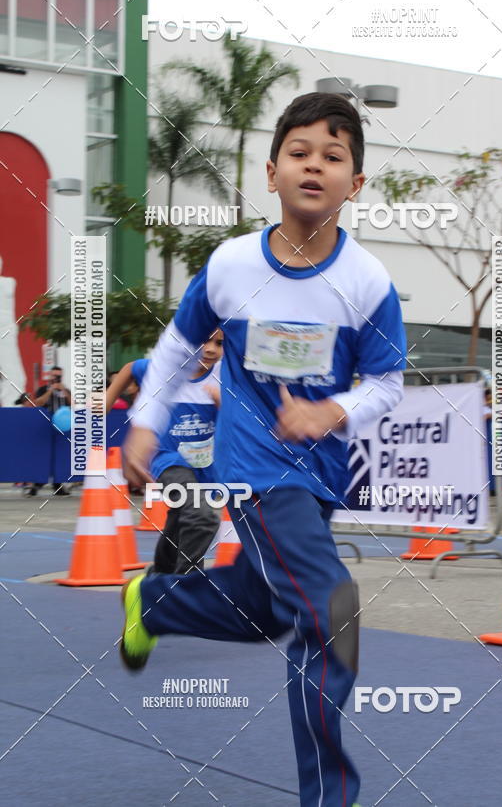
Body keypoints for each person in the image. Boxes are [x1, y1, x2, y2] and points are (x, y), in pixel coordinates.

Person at [120, 92, 406, 807]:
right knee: (327, 608)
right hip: (253, 471)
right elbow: (180, 347)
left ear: (356, 183)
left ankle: (155, 601)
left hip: (318, 476)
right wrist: (147, 423)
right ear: (272, 172)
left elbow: (389, 382)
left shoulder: (367, 283)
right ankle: (329, 797)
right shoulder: (231, 266)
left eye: (334, 157)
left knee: (265, 606)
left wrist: (331, 410)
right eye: (301, 154)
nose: (316, 166)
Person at [107, 330, 223, 574]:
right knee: (203, 516)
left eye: (219, 343)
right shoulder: (164, 370)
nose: (210, 349)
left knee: (181, 518)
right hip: (168, 459)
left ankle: (160, 577)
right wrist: (108, 398)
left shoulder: (226, 375)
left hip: (205, 465)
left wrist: (222, 402)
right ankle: (187, 585)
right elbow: (130, 368)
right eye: (203, 340)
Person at [30, 365, 72, 496]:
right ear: (50, 376)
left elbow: (74, 404)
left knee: (59, 456)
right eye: (54, 376)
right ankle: (37, 483)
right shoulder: (43, 389)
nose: (56, 378)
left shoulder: (66, 390)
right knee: (43, 455)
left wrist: (63, 390)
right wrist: (51, 390)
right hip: (45, 426)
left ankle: (58, 484)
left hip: (62, 427)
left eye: (59, 376)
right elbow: (38, 403)